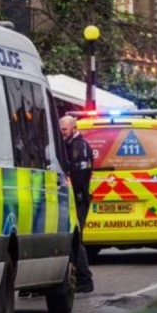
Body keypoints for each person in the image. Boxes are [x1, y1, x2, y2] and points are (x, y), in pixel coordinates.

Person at [59, 116, 95, 293]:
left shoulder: (79, 147)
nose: (62, 133)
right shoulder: (67, 144)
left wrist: (76, 195)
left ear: (74, 127)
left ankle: (84, 279)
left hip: (78, 198)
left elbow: (80, 175)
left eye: (64, 129)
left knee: (76, 239)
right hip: (71, 197)